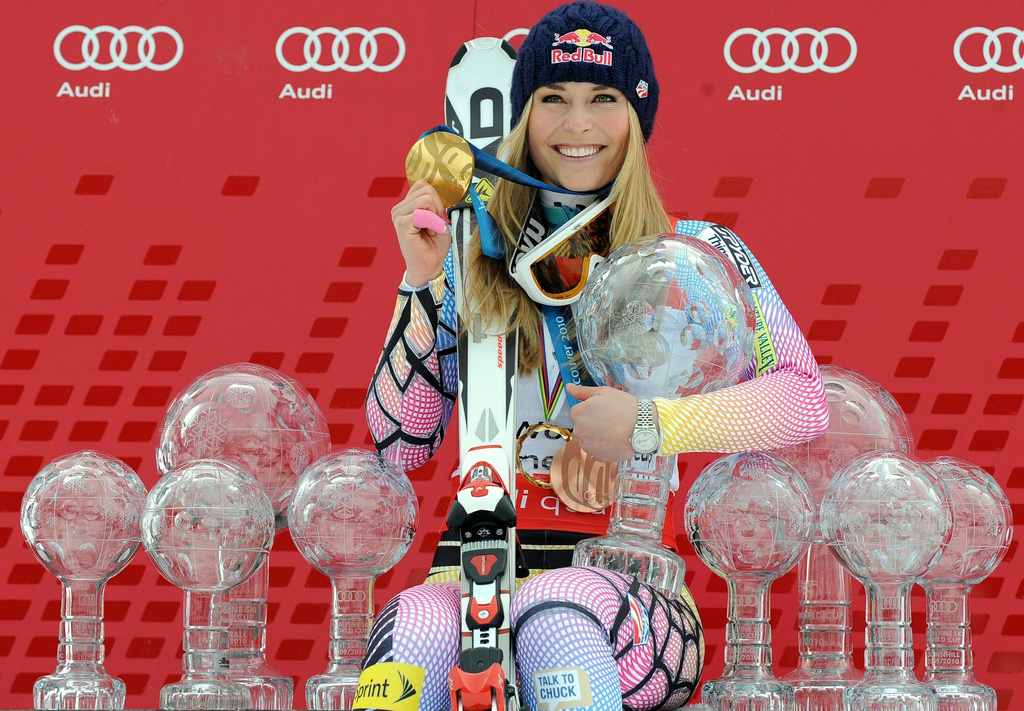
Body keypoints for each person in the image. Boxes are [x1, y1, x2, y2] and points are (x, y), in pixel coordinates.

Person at [362, 2, 829, 709]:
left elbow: (803, 400)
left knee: (556, 612)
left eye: (603, 99)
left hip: (628, 585)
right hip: (474, 573)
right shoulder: (473, 254)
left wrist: (648, 423)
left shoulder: (697, 251)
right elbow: (400, 442)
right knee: (415, 627)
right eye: (553, 99)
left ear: (638, 120)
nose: (576, 125)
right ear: (523, 116)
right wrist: (422, 280)